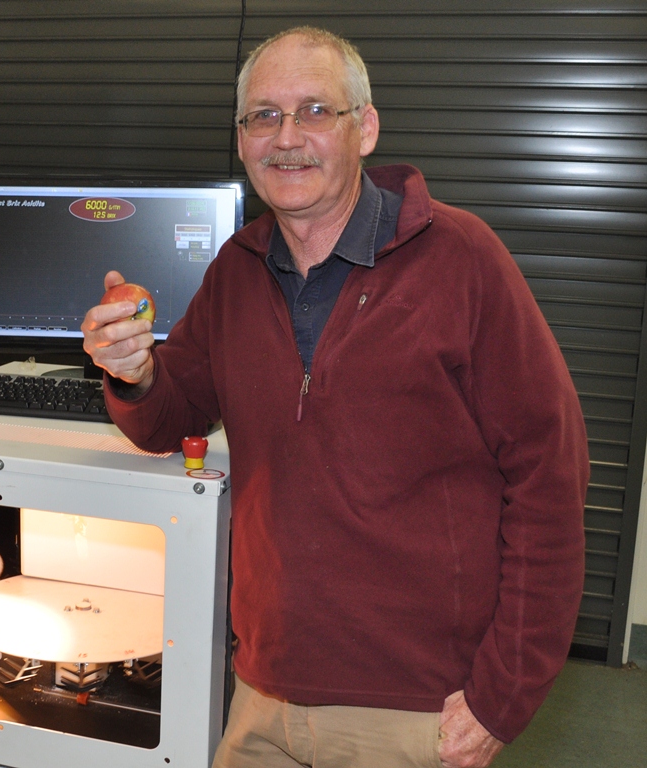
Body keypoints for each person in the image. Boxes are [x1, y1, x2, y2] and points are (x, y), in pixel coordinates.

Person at [81, 26, 588, 768]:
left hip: (413, 711)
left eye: (316, 110)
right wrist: (135, 371)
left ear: (366, 128)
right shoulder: (237, 269)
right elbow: (171, 418)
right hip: (264, 692)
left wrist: (502, 695)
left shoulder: (462, 260)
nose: (287, 137)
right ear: (242, 140)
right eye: (263, 116)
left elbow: (551, 476)